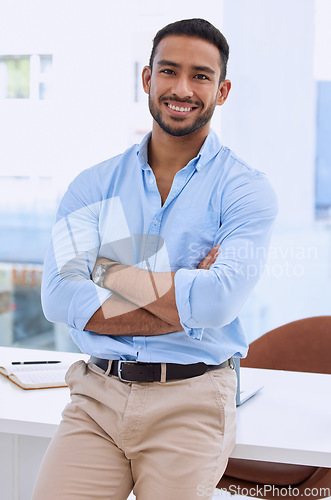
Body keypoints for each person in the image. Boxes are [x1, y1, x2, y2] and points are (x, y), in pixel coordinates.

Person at [33, 18, 277, 500]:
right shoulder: (92, 185)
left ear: (222, 90)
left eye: (201, 76)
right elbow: (58, 298)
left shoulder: (246, 190)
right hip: (97, 395)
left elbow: (218, 303)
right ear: (147, 79)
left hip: (192, 399)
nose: (182, 88)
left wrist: (105, 272)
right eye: (169, 71)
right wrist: (184, 290)